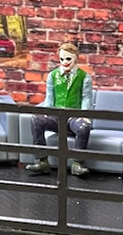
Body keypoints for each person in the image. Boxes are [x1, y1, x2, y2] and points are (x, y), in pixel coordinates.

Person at [27, 42, 94, 178]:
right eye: (62, 59)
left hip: (73, 117)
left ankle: (77, 163)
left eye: (68, 59)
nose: (65, 62)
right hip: (57, 116)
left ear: (76, 58)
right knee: (36, 119)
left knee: (83, 127)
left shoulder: (84, 77)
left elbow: (86, 97)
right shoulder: (53, 76)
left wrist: (84, 114)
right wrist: (47, 112)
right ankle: (42, 161)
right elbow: (49, 97)